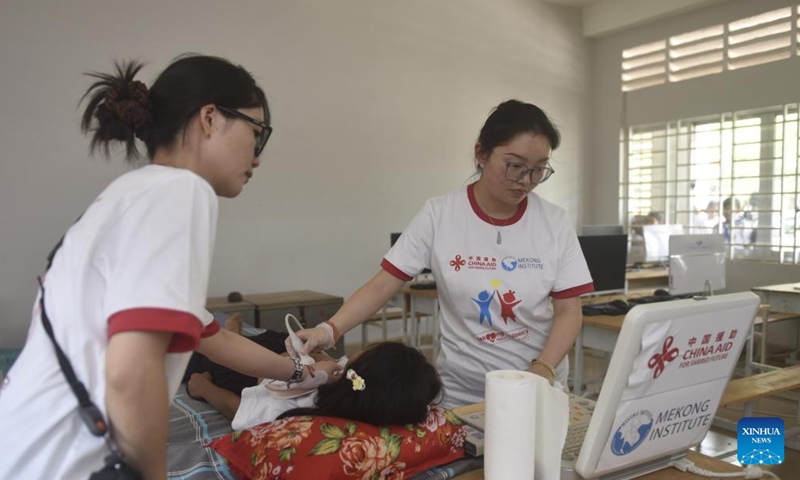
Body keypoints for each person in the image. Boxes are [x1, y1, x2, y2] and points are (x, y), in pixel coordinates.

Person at [0, 55, 342, 480]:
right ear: (211, 118)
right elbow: (131, 370)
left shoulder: (131, 193)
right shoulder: (182, 192)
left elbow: (214, 340)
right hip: (58, 461)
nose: (257, 156)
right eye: (256, 133)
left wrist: (301, 372)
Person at [290, 99, 593, 408]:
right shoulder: (440, 215)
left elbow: (569, 311)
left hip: (535, 389)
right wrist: (330, 329)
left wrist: (542, 370)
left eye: (539, 169)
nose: (526, 181)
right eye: (515, 166)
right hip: (461, 396)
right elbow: (383, 285)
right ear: (481, 153)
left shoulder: (553, 221)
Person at [187, 341, 442, 429]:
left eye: (365, 350)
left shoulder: (301, 411)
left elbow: (239, 406)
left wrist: (203, 388)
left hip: (258, 374)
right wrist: (322, 362)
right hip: (291, 362)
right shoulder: (368, 397)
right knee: (275, 340)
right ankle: (237, 333)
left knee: (201, 357)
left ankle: (232, 335)